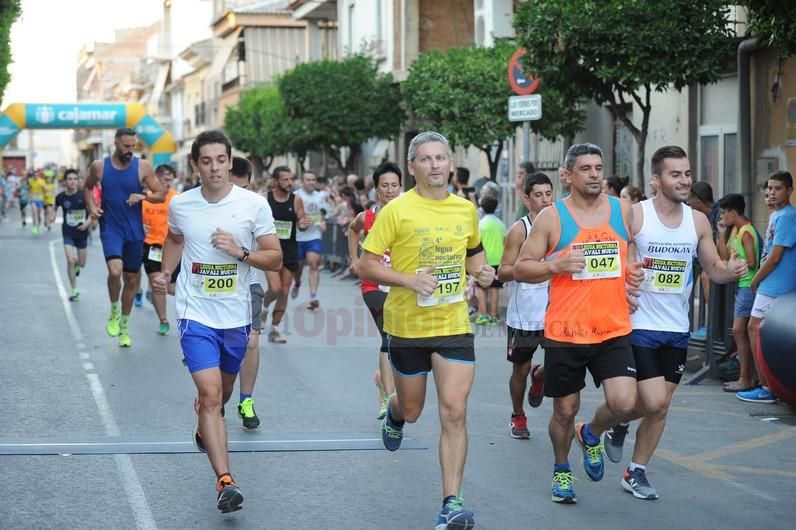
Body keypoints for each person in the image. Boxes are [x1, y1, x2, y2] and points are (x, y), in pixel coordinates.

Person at [359, 131, 495, 529]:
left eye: (441, 158)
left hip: (453, 324)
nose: (435, 165)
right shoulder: (396, 211)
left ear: (450, 164)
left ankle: (451, 501)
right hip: (406, 327)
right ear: (413, 167)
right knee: (414, 409)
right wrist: (407, 280)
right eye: (426, 159)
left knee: (455, 411)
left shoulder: (464, 210)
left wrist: (483, 273)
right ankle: (395, 414)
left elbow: (473, 255)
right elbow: (366, 266)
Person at [603, 146, 747, 500]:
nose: (685, 181)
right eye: (675, 174)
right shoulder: (636, 215)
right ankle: (600, 427)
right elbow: (612, 257)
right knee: (652, 401)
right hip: (638, 324)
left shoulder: (697, 221)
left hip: (676, 328)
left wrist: (729, 271)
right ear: (656, 180)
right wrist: (624, 275)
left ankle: (635, 470)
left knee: (660, 406)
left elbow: (712, 266)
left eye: (687, 174)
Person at [152, 130, 281, 513]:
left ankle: (205, 423)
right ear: (195, 165)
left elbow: (273, 258)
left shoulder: (253, 205)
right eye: (205, 161)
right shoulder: (182, 205)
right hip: (195, 313)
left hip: (236, 315)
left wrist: (240, 251)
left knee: (221, 394)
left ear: (229, 161)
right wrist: (166, 272)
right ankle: (225, 480)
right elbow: (174, 239)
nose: (214, 168)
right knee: (210, 395)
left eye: (220, 160)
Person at [514, 143, 642, 504]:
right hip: (566, 332)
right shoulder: (552, 218)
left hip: (613, 327)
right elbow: (522, 267)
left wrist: (631, 273)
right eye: (585, 168)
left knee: (625, 402)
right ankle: (561, 469)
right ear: (567, 176)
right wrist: (554, 266)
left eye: (599, 167)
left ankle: (591, 433)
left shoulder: (622, 210)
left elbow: (627, 250)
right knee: (564, 410)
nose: (595, 174)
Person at [84, 127, 166, 347]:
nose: (130, 150)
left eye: (133, 146)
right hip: (111, 226)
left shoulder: (143, 167)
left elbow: (161, 195)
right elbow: (87, 187)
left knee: (131, 279)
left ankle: (124, 326)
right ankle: (113, 311)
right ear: (116, 143)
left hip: (134, 230)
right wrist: (92, 206)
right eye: (126, 146)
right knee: (115, 271)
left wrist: (143, 195)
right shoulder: (100, 167)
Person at [498, 172, 552, 440]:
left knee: (561, 364)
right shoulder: (519, 230)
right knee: (519, 370)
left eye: (548, 194)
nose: (544, 200)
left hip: (556, 311)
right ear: (526, 198)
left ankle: (540, 375)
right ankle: (517, 415)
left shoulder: (560, 225)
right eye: (538, 195)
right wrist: (533, 269)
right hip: (525, 314)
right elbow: (503, 272)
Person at [348, 161, 402, 419]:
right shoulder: (367, 216)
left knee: (402, 342)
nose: (390, 190)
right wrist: (353, 259)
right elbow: (352, 230)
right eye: (385, 186)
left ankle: (382, 379)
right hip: (373, 285)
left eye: (394, 185)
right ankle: (389, 399)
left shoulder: (408, 215)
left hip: (401, 284)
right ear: (376, 188)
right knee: (387, 338)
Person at [737, 170, 796, 404]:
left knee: (755, 328)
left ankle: (767, 386)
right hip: (770, 282)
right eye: (769, 188)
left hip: (776, 284)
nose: (771, 193)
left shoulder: (788, 217)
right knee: (756, 328)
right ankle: (766, 385)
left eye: (778, 188)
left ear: (789, 191)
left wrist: (755, 279)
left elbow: (775, 256)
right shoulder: (776, 215)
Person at [228, 156, 267, 429]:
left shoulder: (257, 207)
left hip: (249, 284)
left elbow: (270, 249)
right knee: (224, 347)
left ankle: (246, 400)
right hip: (213, 289)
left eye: (242, 187)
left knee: (251, 341)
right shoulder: (205, 205)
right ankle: (214, 398)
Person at [716, 193, 761, 393]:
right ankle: (748, 375)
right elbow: (723, 256)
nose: (722, 216)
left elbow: (753, 261)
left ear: (734, 212)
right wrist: (721, 233)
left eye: (724, 213)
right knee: (739, 332)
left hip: (748, 286)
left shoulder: (747, 232)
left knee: (738, 330)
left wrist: (737, 262)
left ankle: (746, 377)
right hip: (740, 286)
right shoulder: (734, 231)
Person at [262, 166, 311, 343]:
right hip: (269, 251)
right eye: (285, 179)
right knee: (274, 288)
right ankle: (264, 307)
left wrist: (304, 224)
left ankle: (275, 329)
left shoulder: (296, 199)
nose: (289, 183)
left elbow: (301, 219)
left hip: (289, 251)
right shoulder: (265, 199)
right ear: (276, 181)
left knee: (283, 291)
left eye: (291, 179)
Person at [141, 164, 180, 335]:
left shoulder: (177, 198)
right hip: (152, 247)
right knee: (158, 284)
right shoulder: (147, 199)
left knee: (171, 289)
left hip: (173, 249)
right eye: (165, 179)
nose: (168, 183)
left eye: (171, 180)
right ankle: (163, 320)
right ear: (156, 179)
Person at [52, 169, 90, 301]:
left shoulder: (84, 195)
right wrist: (51, 216)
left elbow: (93, 211)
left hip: (82, 233)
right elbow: (55, 207)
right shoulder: (60, 197)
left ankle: (78, 266)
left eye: (75, 179)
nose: (73, 181)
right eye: (70, 179)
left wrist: (87, 223)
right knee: (70, 260)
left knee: (82, 263)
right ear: (65, 182)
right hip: (68, 232)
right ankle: (74, 290)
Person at [293, 170, 329, 309]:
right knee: (297, 268)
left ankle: (313, 297)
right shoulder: (296, 196)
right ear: (303, 181)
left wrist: (323, 221)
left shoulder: (321, 196)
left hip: (314, 236)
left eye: (313, 180)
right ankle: (297, 282)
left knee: (314, 264)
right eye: (308, 180)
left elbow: (323, 212)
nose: (311, 182)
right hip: (298, 237)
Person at [474, 194, 505, 326]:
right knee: (495, 288)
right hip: (498, 260)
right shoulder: (501, 224)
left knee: (481, 287)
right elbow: (505, 241)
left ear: (482, 208)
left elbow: (476, 243)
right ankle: (493, 315)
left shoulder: (480, 224)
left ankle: (482, 314)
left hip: (483, 260)